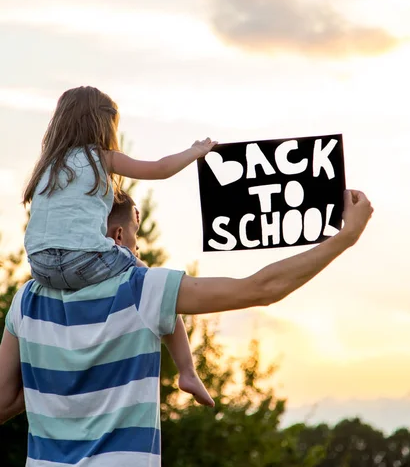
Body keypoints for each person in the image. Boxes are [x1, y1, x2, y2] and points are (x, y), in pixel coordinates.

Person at [0, 188, 373, 466]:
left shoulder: (26, 300)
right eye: (135, 235)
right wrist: (346, 237)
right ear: (117, 236)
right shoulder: (140, 286)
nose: (138, 248)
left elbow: (5, 401)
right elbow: (261, 288)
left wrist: (54, 386)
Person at [23, 85, 216, 407]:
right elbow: (159, 169)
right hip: (81, 260)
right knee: (154, 285)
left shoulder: (48, 165)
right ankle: (188, 371)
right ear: (103, 124)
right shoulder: (101, 158)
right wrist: (195, 151)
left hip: (40, 267)